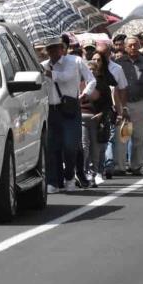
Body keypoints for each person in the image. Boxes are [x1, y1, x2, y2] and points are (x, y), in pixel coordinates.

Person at [41, 36, 96, 193]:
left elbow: (74, 77)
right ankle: (54, 181)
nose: (53, 51)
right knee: (52, 147)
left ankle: (70, 176)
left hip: (70, 109)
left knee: (70, 145)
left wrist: (85, 93)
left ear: (62, 48)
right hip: (51, 110)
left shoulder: (74, 61)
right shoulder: (43, 66)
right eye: (50, 49)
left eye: (56, 47)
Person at [114, 36, 143, 175]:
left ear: (139, 46)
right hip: (124, 103)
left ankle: (136, 166)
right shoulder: (119, 63)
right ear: (125, 47)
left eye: (135, 45)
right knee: (122, 136)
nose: (133, 48)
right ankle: (120, 167)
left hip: (140, 103)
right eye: (130, 45)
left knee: (139, 137)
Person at [82, 50, 124, 186]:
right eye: (88, 70)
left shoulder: (104, 83)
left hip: (99, 119)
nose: (91, 71)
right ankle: (84, 172)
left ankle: (97, 171)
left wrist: (107, 114)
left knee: (98, 147)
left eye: (93, 69)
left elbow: (109, 102)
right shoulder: (81, 84)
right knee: (84, 146)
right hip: (84, 118)